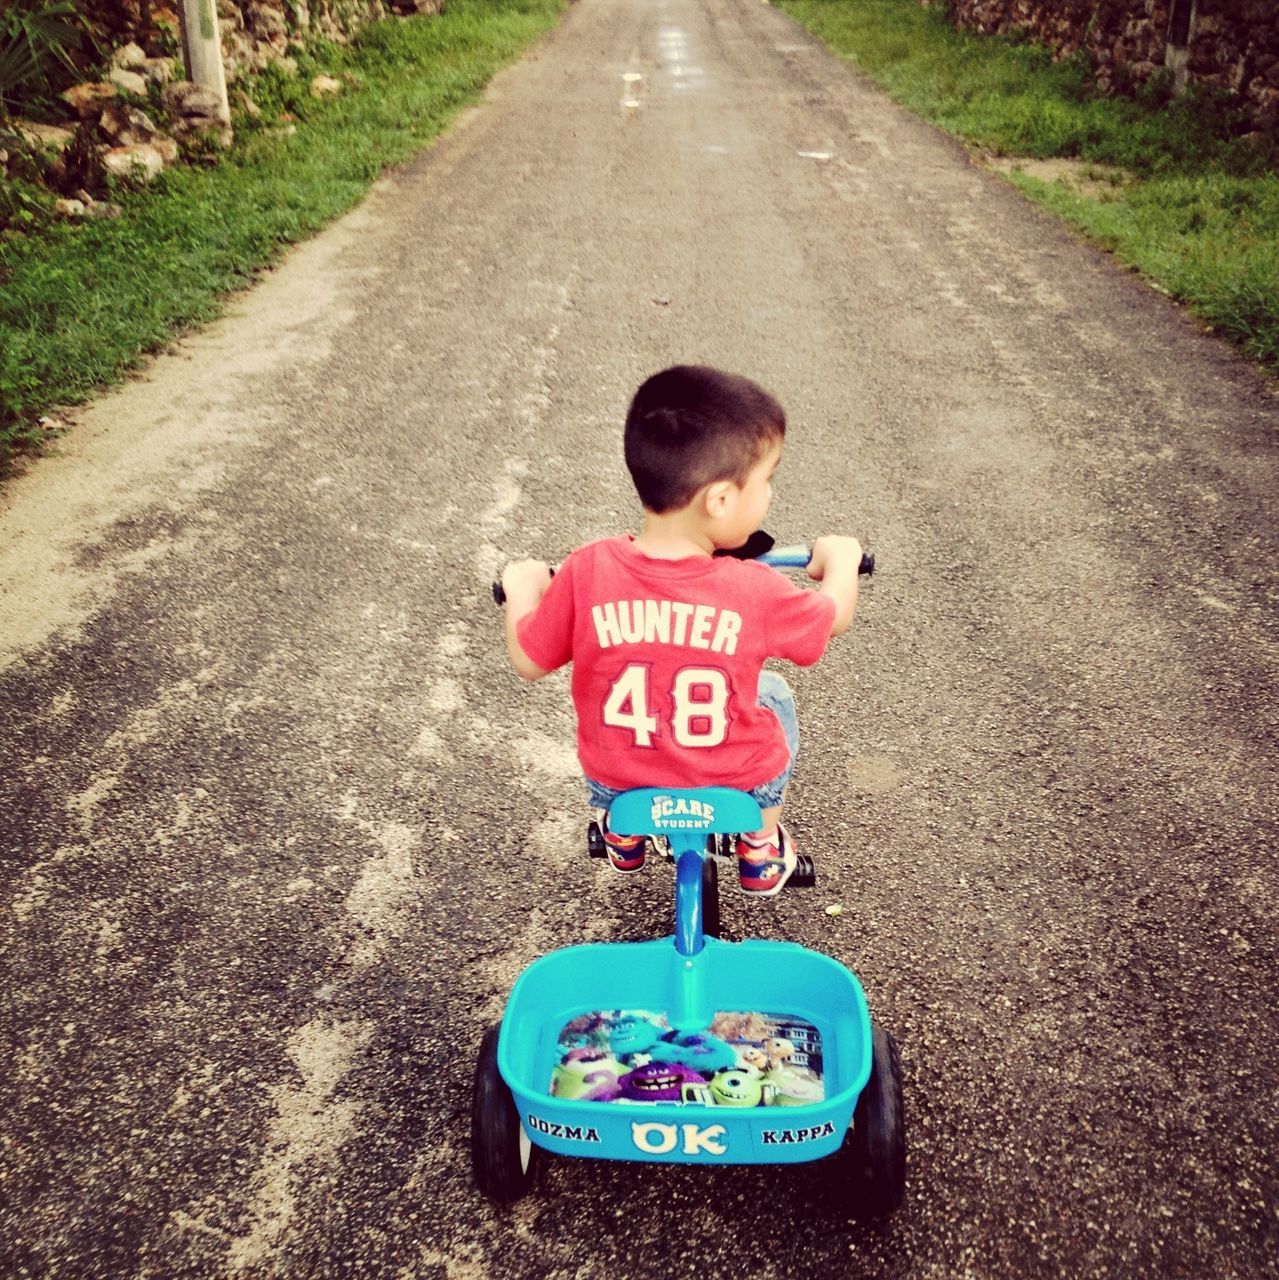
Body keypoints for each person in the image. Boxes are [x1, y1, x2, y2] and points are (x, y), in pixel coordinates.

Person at [500, 365, 863, 897]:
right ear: (718, 500)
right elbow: (835, 615)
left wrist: (523, 587)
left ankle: (621, 832)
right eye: (768, 481)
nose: (769, 497)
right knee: (775, 695)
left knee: (611, 723)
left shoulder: (587, 570)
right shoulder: (751, 589)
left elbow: (530, 660)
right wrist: (843, 560)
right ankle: (760, 843)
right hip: (733, 787)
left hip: (621, 785)